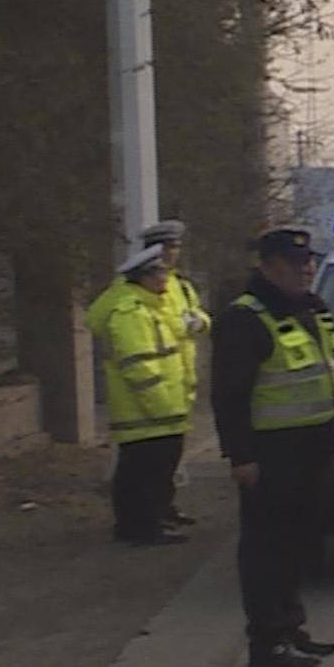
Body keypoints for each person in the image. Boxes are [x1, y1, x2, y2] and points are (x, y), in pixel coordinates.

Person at [210, 227, 334, 667]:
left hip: (312, 447)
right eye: (294, 264)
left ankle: (291, 628)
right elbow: (229, 396)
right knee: (267, 550)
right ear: (266, 268)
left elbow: (327, 379)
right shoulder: (245, 319)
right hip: (271, 454)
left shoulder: (310, 309)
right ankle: (267, 641)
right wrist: (241, 456)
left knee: (296, 546)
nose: (306, 270)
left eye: (308, 263)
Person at [87, 245, 194, 546]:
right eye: (158, 272)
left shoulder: (148, 306)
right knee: (142, 472)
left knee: (152, 470)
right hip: (146, 412)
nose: (164, 277)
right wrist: (161, 405)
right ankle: (139, 529)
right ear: (143, 277)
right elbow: (138, 366)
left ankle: (148, 523)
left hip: (159, 410)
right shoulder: (130, 312)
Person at [138, 218, 209, 529]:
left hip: (178, 382)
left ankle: (165, 507)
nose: (173, 254)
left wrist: (200, 322)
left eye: (175, 247)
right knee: (149, 460)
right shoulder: (139, 283)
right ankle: (149, 515)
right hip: (155, 385)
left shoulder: (180, 285)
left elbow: (201, 316)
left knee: (170, 456)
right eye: (167, 247)